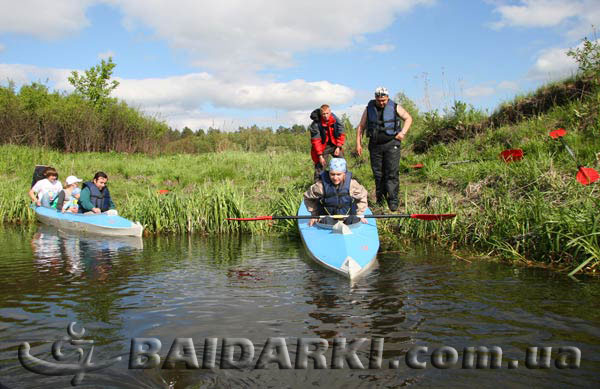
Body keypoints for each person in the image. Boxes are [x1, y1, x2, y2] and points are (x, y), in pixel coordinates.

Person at [355, 87, 412, 211]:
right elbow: (361, 126)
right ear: (375, 98)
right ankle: (380, 200)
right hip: (375, 145)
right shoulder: (369, 108)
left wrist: (402, 133)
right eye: (379, 100)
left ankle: (393, 200)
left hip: (392, 144)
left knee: (391, 173)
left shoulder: (395, 106)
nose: (381, 103)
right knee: (378, 174)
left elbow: (408, 118)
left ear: (387, 98)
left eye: (384, 100)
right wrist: (358, 144)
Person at [303, 158, 368, 226]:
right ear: (329, 173)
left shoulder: (352, 184)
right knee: (326, 221)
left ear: (344, 174)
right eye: (332, 174)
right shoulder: (320, 186)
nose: (335, 178)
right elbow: (308, 197)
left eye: (338, 174)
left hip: (348, 217)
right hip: (328, 218)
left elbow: (363, 195)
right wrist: (314, 215)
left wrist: (360, 214)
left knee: (353, 220)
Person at [309, 104, 346, 181]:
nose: (325, 116)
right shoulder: (315, 124)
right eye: (323, 114)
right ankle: (317, 187)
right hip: (322, 147)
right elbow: (316, 141)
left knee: (342, 162)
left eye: (327, 113)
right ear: (320, 114)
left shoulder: (335, 119)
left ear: (330, 112)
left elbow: (341, 132)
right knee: (320, 167)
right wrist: (320, 156)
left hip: (334, 144)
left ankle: (344, 183)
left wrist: (338, 147)